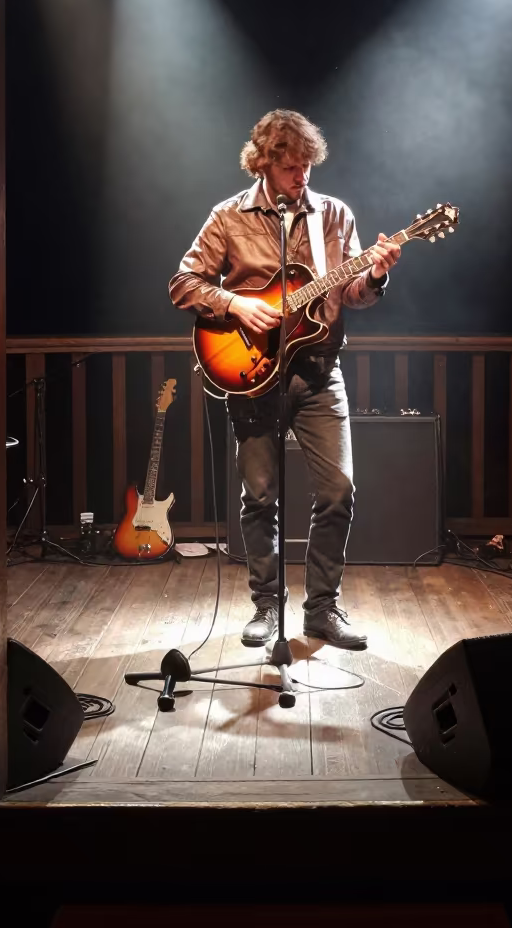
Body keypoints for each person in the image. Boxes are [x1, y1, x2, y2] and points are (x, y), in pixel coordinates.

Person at [169, 110, 400, 650]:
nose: (301, 177)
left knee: (339, 490)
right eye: (291, 167)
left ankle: (321, 609)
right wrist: (236, 305)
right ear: (265, 164)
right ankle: (267, 609)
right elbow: (183, 283)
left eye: (307, 166)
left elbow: (354, 295)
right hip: (252, 375)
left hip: (320, 372)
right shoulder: (229, 217)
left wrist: (377, 273)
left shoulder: (334, 215)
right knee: (260, 495)